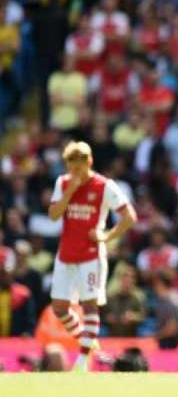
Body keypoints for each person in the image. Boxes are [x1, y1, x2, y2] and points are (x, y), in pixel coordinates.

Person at [47, 141, 137, 371]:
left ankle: (82, 359)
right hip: (65, 254)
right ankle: (86, 340)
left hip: (91, 256)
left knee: (89, 306)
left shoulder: (104, 186)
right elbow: (53, 215)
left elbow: (129, 217)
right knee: (59, 307)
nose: (75, 172)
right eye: (71, 167)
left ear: (89, 162)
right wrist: (69, 191)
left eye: (79, 167)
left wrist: (107, 236)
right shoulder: (63, 183)